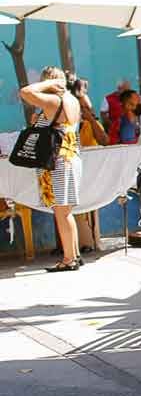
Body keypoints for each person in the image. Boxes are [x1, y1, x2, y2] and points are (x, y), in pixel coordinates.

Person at [20, 67, 82, 273]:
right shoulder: (72, 99)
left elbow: (25, 92)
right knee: (66, 211)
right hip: (72, 156)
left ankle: (68, 259)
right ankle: (74, 255)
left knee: (61, 211)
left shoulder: (54, 100)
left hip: (58, 160)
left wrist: (46, 85)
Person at [70, 76, 107, 254]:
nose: (85, 110)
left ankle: (91, 240)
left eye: (87, 107)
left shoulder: (91, 124)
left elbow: (104, 140)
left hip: (91, 172)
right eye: (82, 107)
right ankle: (79, 243)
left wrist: (91, 119)